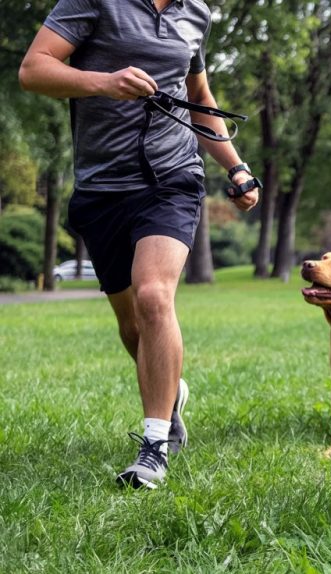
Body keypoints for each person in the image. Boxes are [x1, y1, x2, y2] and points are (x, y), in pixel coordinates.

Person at [20, 0, 260, 488]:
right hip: (102, 186)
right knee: (132, 324)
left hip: (172, 177)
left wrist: (236, 166)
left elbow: (198, 94)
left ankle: (155, 445)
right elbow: (34, 69)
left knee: (154, 295)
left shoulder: (197, 13)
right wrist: (104, 82)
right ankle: (169, 391)